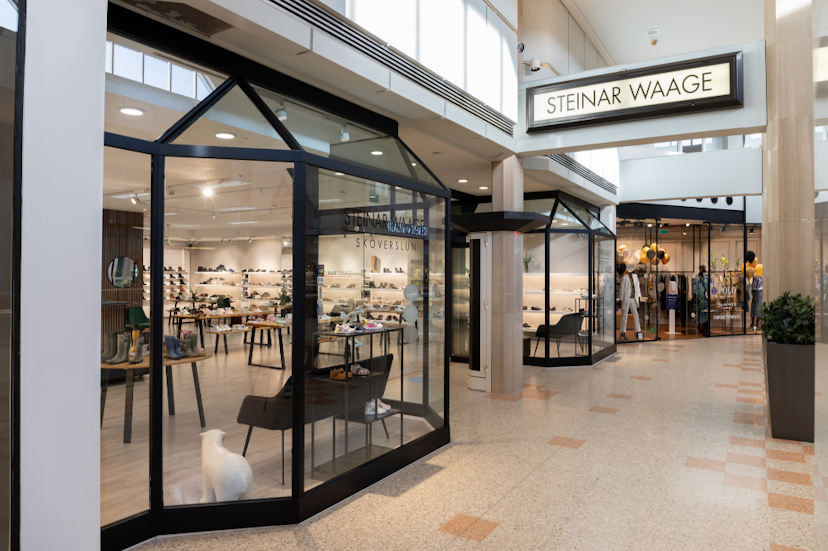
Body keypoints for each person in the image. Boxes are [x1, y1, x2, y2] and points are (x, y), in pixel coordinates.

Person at [618, 263, 641, 342]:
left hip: (633, 299)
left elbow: (637, 287)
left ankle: (638, 331)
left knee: (636, 315)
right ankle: (622, 332)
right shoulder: (624, 278)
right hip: (626, 298)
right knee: (624, 316)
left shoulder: (635, 277)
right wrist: (621, 299)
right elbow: (621, 289)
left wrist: (639, 296)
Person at [693, 265, 710, 335]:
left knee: (705, 313)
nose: (705, 269)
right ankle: (698, 327)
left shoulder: (706, 277)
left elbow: (709, 287)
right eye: (703, 268)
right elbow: (695, 289)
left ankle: (705, 327)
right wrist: (696, 297)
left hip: (706, 299)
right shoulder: (696, 278)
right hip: (699, 298)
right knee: (698, 313)